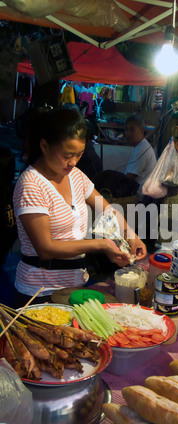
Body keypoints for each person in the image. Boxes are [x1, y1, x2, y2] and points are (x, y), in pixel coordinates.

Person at [12, 107, 147, 307]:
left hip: (75, 288)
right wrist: (101, 245)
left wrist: (130, 234)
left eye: (79, 154)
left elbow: (107, 209)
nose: (73, 162)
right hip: (40, 293)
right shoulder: (31, 184)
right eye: (67, 155)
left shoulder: (75, 176)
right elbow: (46, 249)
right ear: (44, 146)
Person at [124, 114, 157, 200]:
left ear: (142, 131)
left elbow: (129, 178)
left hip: (139, 196)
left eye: (132, 130)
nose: (128, 133)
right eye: (126, 130)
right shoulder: (140, 145)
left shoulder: (141, 149)